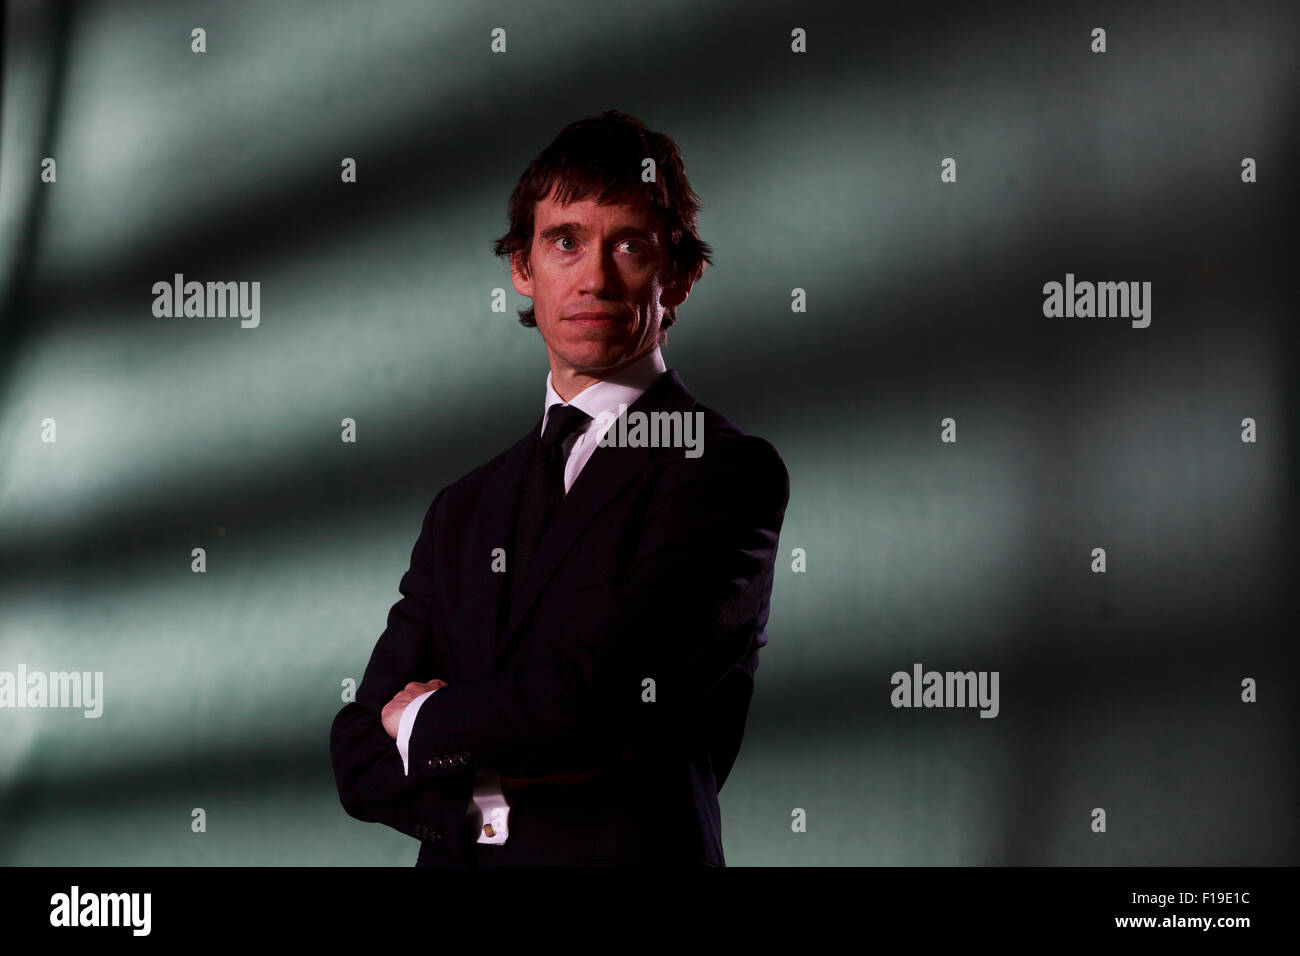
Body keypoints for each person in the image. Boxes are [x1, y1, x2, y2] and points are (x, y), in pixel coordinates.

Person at [329, 109, 790, 866]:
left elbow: (604, 702)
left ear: (679, 274)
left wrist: (429, 723)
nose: (595, 276)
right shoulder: (461, 510)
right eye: (565, 241)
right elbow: (357, 749)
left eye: (630, 245)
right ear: (522, 266)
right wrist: (487, 809)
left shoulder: (725, 472)